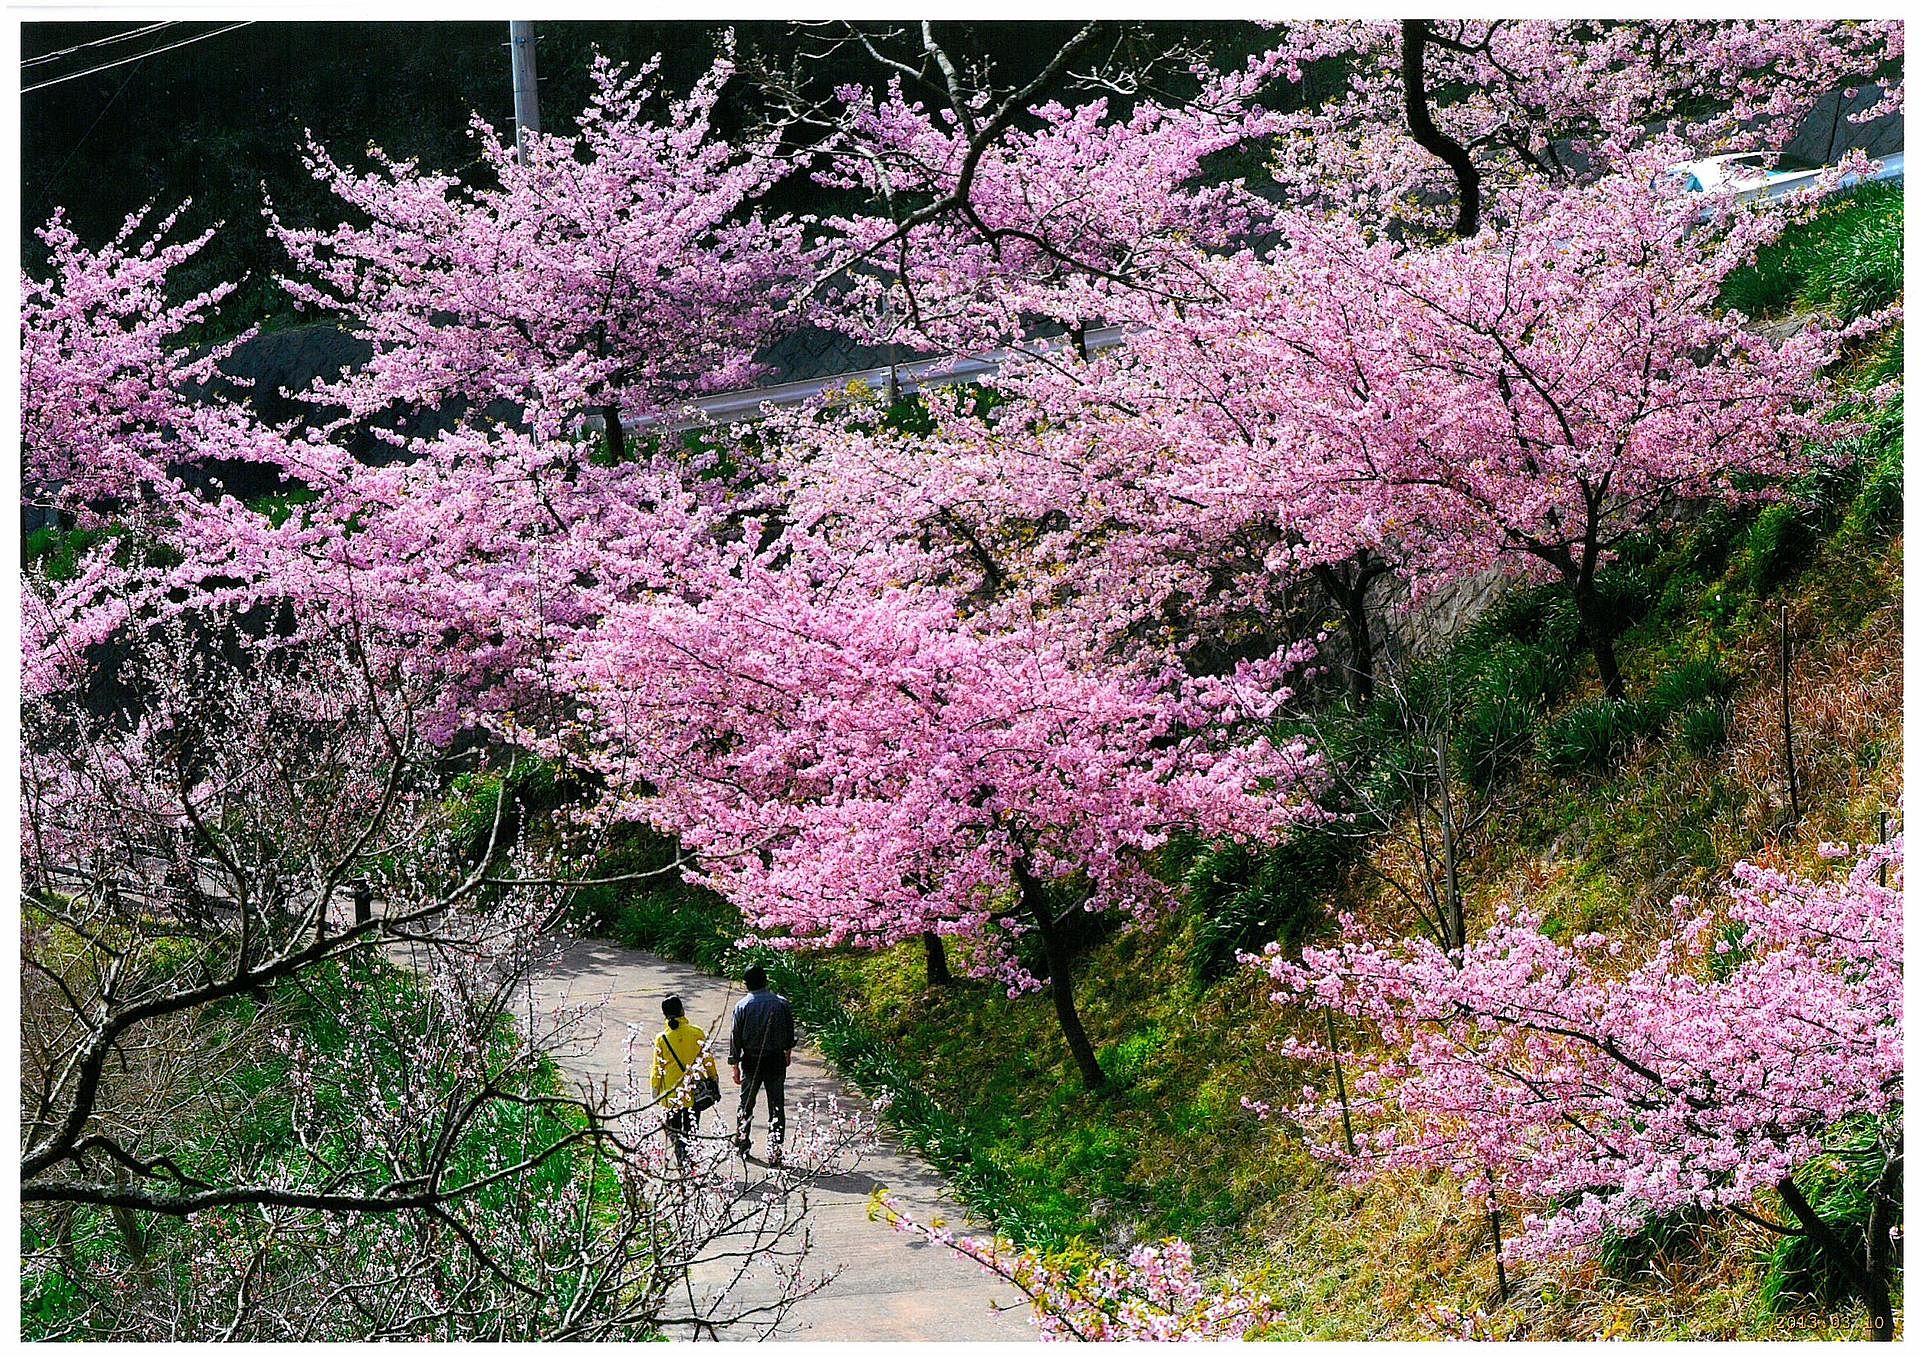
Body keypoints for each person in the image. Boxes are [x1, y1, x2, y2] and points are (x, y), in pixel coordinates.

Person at [729, 964, 795, 1163]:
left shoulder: (742, 1006)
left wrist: (734, 1065)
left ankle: (742, 1144)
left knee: (746, 1104)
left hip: (751, 1060)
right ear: (766, 980)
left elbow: (736, 1038)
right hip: (775, 1059)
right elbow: (790, 1034)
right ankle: (775, 1150)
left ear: (746, 983)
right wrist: (787, 1053)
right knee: (776, 1106)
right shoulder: (781, 1003)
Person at [650, 994, 716, 1167]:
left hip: (671, 1093)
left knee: (674, 1130)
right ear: (682, 1010)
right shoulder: (696, 1032)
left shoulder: (662, 1038)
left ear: (664, 1014)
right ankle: (692, 1161)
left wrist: (654, 1089)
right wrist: (713, 1077)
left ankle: (682, 1160)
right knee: (691, 1127)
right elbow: (707, 1058)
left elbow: (657, 1068)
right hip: (694, 1091)